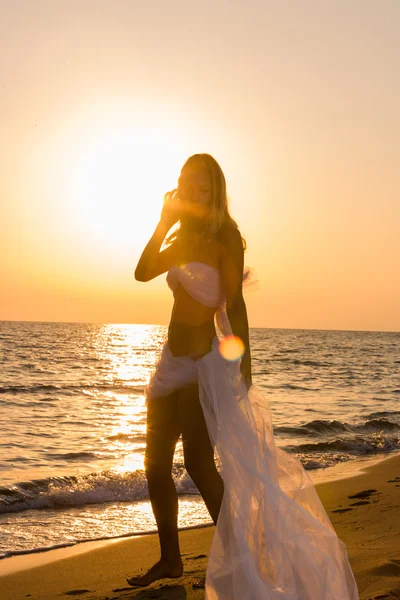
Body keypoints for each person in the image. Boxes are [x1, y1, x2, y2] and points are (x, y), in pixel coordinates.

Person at [128, 153, 359, 599]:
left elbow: (234, 305)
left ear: (214, 191)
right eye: (184, 183)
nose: (191, 191)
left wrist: (243, 366)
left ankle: (237, 557)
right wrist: (162, 222)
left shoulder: (227, 238)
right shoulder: (179, 237)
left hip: (203, 367)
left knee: (198, 462)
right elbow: (141, 273)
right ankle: (170, 558)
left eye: (201, 185)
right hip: (169, 364)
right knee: (154, 465)